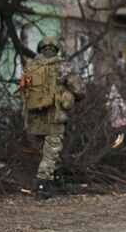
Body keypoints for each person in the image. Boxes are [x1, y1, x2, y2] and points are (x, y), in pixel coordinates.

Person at [18, 36, 85, 200]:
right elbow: (80, 90)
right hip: (55, 117)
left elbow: (23, 92)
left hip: (34, 118)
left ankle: (57, 177)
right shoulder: (62, 66)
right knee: (50, 154)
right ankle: (42, 187)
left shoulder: (30, 66)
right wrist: (66, 95)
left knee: (47, 153)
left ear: (40, 48)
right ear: (56, 49)